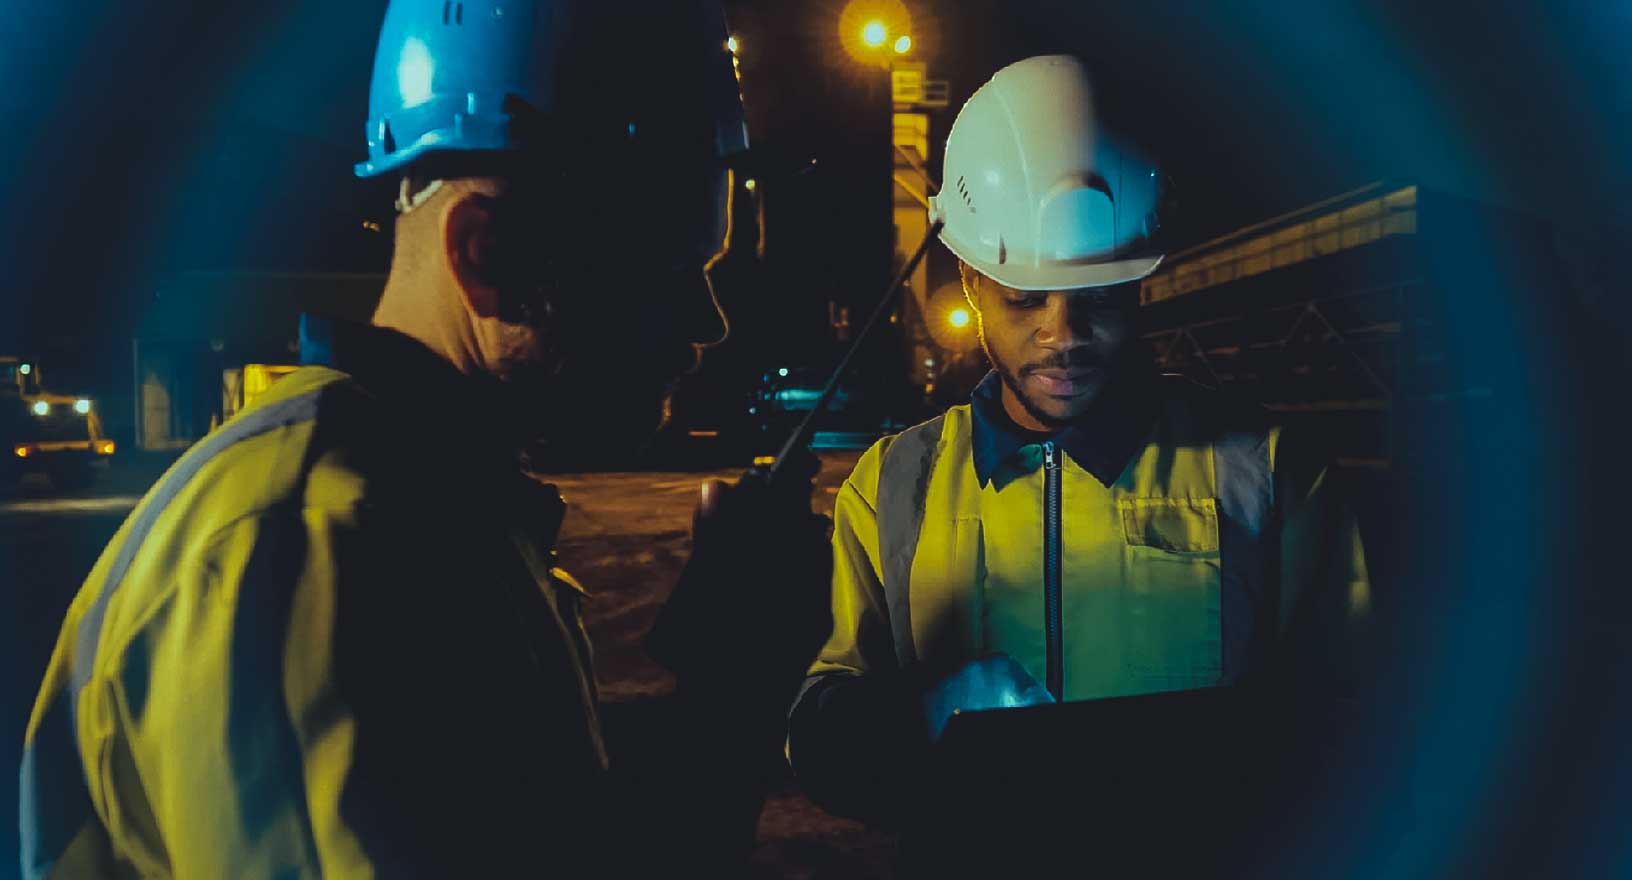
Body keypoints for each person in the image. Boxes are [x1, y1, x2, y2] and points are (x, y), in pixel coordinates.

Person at [19, 2, 832, 877]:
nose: (707, 325)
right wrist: (727, 705)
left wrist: (729, 694)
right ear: (485, 254)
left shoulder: (433, 512)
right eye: (667, 272)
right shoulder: (303, 551)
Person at [787, 55, 1373, 841]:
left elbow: (1362, 720)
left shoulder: (1265, 472)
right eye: (1026, 298)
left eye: (1099, 297)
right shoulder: (891, 489)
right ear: (969, 282)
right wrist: (909, 720)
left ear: (1141, 281)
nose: (1063, 334)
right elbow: (819, 737)